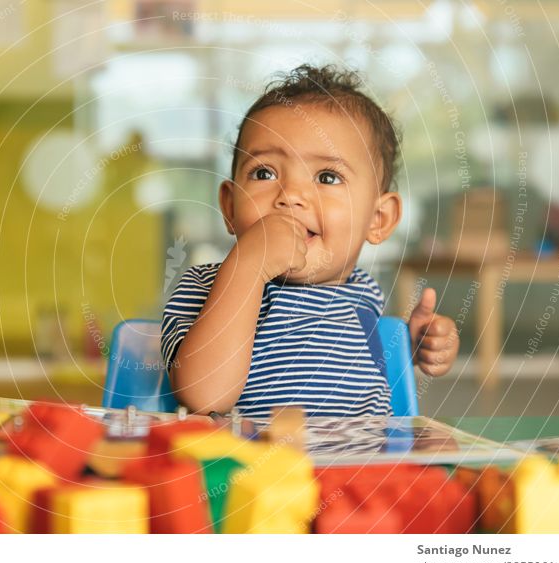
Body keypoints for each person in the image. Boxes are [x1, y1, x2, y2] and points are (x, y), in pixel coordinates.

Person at [162, 64, 459, 419]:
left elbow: (363, 371)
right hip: (247, 470)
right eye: (264, 173)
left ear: (378, 220)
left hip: (358, 468)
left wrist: (411, 346)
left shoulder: (364, 293)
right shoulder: (205, 287)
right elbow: (205, 396)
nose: (291, 195)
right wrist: (248, 267)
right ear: (229, 206)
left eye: (327, 177)